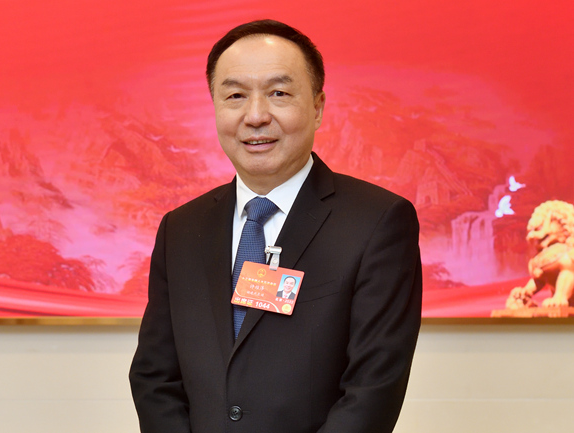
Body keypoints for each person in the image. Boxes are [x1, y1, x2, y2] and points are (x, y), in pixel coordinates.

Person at [129, 19, 422, 433]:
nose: (255, 116)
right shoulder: (181, 228)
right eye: (235, 96)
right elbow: (155, 377)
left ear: (318, 107)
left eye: (278, 93)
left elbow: (373, 389)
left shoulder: (377, 222)